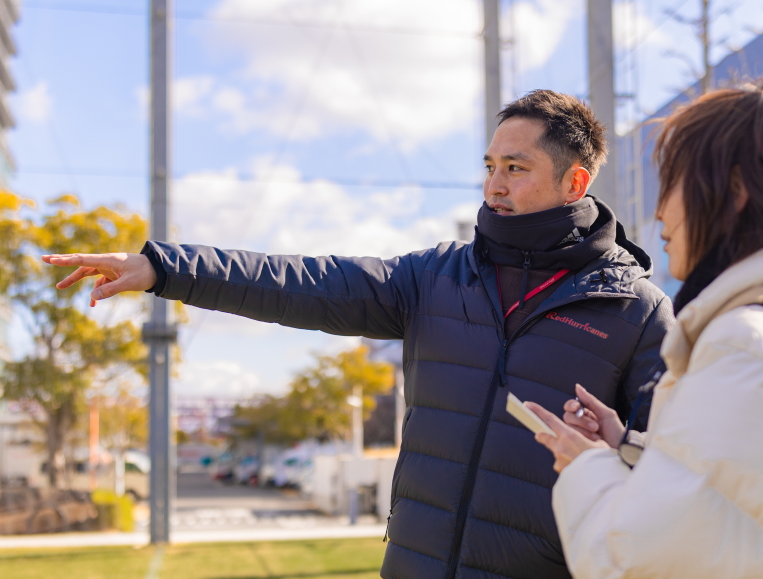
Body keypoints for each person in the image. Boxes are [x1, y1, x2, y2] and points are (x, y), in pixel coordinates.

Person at [44, 90, 673, 579]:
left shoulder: (637, 311)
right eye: (489, 166)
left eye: (515, 167)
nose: (494, 185)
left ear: (575, 182)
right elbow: (298, 282)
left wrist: (614, 453)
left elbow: (669, 466)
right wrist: (166, 269)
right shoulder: (435, 278)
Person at [526, 85, 763, 579]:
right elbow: (728, 510)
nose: (660, 212)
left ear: (735, 191)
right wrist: (628, 449)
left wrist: (586, 465)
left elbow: (635, 562)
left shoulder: (740, 344)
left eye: (673, 181)